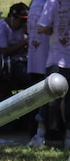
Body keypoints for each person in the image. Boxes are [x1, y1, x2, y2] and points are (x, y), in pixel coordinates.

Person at [37, 0, 70, 148]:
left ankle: (42, 136)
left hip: (56, 57)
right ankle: (68, 137)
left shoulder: (53, 2)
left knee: (48, 97)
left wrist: (50, 30)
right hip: (63, 57)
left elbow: (42, 26)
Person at [0, 3, 30, 92]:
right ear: (12, 17)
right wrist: (24, 43)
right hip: (7, 65)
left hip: (23, 60)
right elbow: (3, 52)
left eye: (26, 21)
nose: (24, 23)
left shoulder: (22, 28)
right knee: (28, 78)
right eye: (21, 21)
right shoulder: (0, 29)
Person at [26, 0, 50, 142]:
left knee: (33, 99)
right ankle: (42, 133)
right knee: (44, 100)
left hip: (34, 58)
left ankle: (33, 132)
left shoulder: (34, 4)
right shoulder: (50, 4)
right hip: (46, 58)